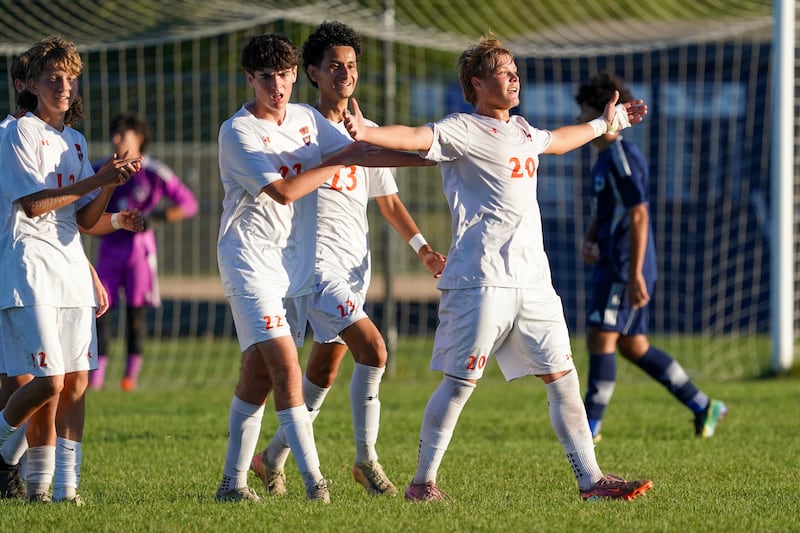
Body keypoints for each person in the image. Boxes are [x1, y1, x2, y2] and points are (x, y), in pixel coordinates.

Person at [343, 35, 654, 502]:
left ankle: (591, 481)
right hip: (481, 279)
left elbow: (560, 142)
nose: (514, 77)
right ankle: (422, 483)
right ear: (477, 84)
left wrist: (604, 122)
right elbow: (414, 137)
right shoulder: (462, 128)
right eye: (503, 71)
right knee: (460, 383)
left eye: (514, 70)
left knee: (563, 377)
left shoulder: (525, 130)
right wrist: (367, 132)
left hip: (533, 281)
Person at [215, 32, 430, 504]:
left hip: (308, 268)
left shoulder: (317, 123)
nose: (345, 73)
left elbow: (373, 168)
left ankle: (247, 474)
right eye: (334, 65)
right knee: (347, 355)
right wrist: (347, 157)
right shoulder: (246, 130)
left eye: (351, 65)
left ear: (294, 75)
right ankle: (334, 477)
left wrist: (432, 157)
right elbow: (289, 190)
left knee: (275, 374)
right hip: (279, 263)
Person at [0, 36, 141, 504]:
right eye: (53, 78)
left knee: (76, 382)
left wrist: (113, 198)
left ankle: (61, 490)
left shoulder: (75, 141)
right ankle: (4, 452)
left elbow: (80, 219)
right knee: (47, 380)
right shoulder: (18, 132)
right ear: (33, 85)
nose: (63, 86)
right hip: (28, 268)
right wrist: (100, 177)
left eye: (70, 78)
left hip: (69, 269)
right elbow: (37, 205)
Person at [574, 71, 727, 442]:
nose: (580, 121)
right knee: (633, 345)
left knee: (601, 336)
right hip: (615, 260)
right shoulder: (603, 159)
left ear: (602, 113)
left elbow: (639, 212)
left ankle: (589, 426)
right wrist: (592, 237)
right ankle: (703, 405)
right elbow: (609, 210)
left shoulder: (621, 156)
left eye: (584, 113)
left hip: (626, 265)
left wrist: (637, 273)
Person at [89, 112, 199, 392]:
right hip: (109, 251)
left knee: (135, 316)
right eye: (114, 134)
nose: (116, 139)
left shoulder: (154, 172)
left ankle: (129, 379)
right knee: (101, 311)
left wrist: (158, 218)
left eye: (122, 134)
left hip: (140, 253)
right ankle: (97, 380)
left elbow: (189, 204)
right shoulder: (102, 168)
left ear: (138, 139)